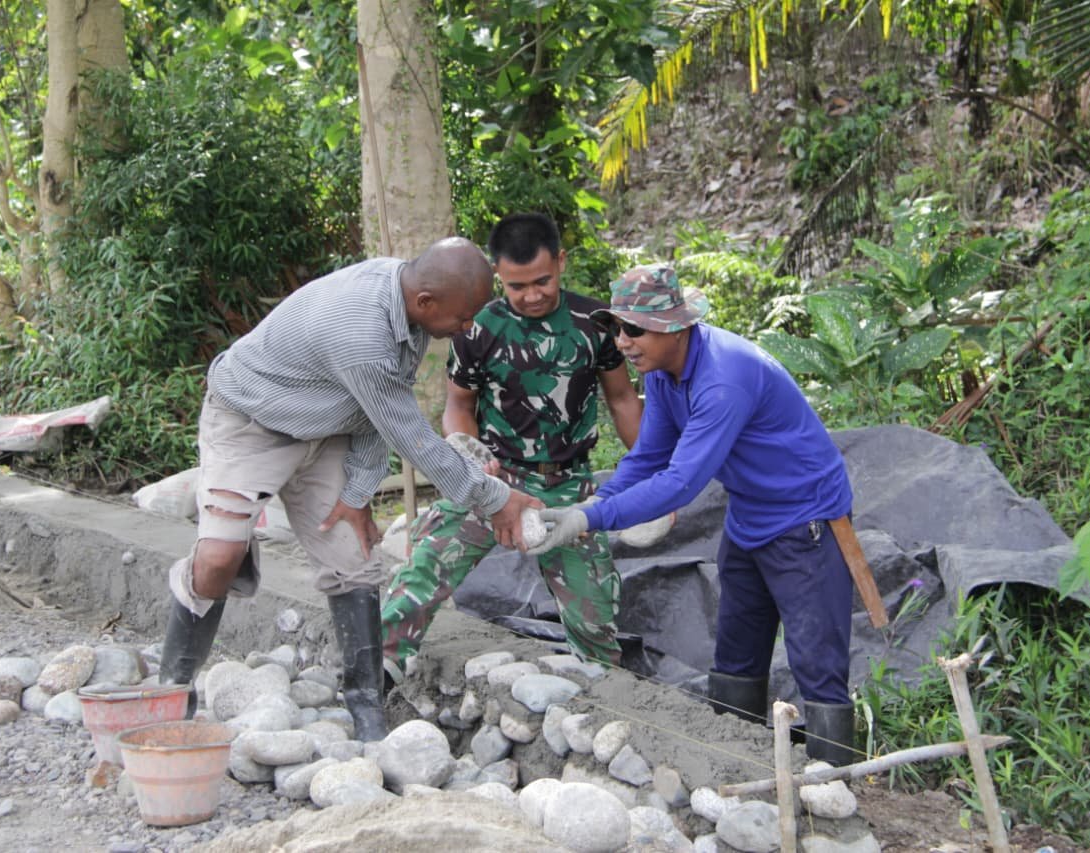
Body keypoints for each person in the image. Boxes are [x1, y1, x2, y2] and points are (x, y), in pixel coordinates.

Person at [159, 238, 542, 742]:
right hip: (251, 423)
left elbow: (375, 411)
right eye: (463, 317)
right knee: (218, 560)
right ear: (426, 300)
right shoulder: (362, 328)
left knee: (355, 560)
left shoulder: (408, 306)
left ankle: (367, 713)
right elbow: (408, 433)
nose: (468, 327)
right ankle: (172, 692)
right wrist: (496, 499)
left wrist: (358, 490)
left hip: (326, 429)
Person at [532, 263, 859, 765]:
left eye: (634, 329)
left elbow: (681, 483)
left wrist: (590, 521)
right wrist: (595, 503)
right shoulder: (664, 373)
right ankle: (735, 764)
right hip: (749, 515)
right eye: (616, 328)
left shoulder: (723, 379)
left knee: (816, 660)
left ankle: (834, 786)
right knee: (736, 651)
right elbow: (648, 456)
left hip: (806, 521)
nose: (622, 342)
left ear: (675, 327)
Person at [381, 213, 643, 677]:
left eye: (542, 281)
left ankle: (602, 694)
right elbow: (458, 406)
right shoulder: (477, 326)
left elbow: (622, 399)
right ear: (498, 275)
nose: (532, 295)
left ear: (561, 262)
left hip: (568, 487)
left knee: (595, 619)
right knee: (423, 571)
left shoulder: (594, 323)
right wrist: (469, 456)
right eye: (517, 286)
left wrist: (650, 472)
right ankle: (378, 670)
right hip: (495, 479)